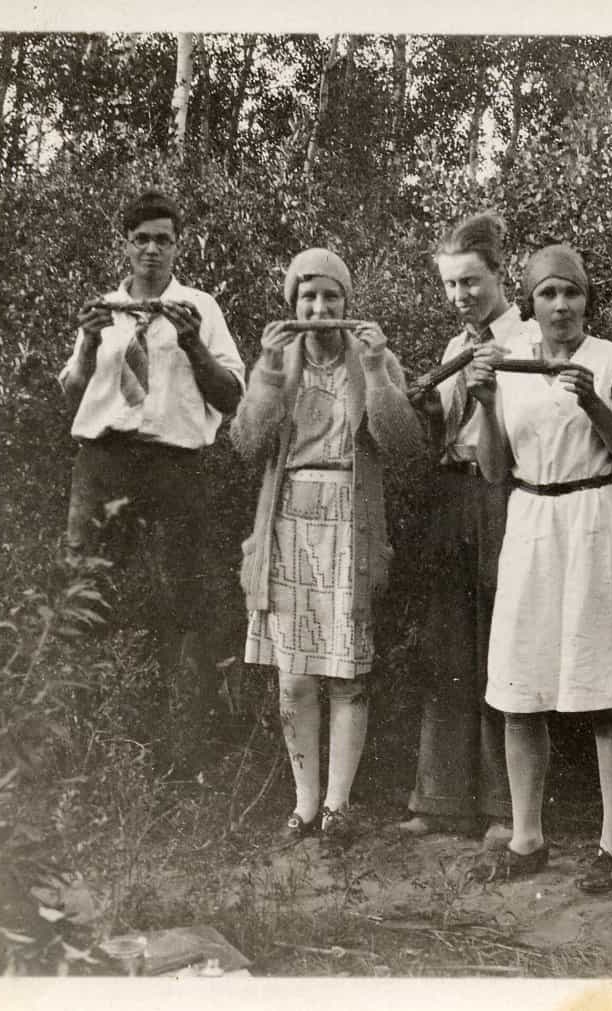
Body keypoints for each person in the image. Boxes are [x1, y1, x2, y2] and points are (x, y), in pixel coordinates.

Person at [468, 244, 612, 893]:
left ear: (587, 299)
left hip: (595, 520)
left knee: (606, 689)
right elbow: (494, 470)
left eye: (572, 292)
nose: (560, 305)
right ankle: (526, 837)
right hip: (531, 521)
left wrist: (594, 406)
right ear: (530, 302)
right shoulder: (510, 364)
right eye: (548, 293)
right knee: (520, 688)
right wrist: (482, 402)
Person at [231, 248, 424, 844]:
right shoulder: (277, 360)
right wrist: (267, 373)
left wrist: (378, 370)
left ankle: (338, 806)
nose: (319, 308)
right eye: (308, 297)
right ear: (294, 304)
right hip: (287, 523)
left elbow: (403, 444)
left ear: (347, 302)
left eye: (331, 296)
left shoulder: (372, 358)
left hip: (349, 525)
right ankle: (305, 802)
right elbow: (246, 443)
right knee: (293, 677)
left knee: (346, 674)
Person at [57, 189, 246, 756]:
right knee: (86, 591)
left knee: (181, 598)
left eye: (163, 239)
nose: (152, 250)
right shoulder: (104, 312)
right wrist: (89, 342)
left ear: (179, 246)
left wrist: (192, 344)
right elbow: (72, 395)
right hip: (104, 464)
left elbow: (231, 395)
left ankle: (179, 743)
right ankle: (86, 732)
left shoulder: (199, 309)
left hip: (172, 468)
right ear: (125, 245)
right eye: (141, 239)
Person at [395, 212, 536, 849]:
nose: (460, 295)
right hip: (452, 498)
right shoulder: (456, 346)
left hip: (505, 495)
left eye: (471, 281)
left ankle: (507, 808)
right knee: (447, 646)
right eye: (451, 284)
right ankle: (442, 800)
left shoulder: (527, 342)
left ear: (501, 274)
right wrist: (430, 411)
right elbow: (445, 437)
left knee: (500, 645)